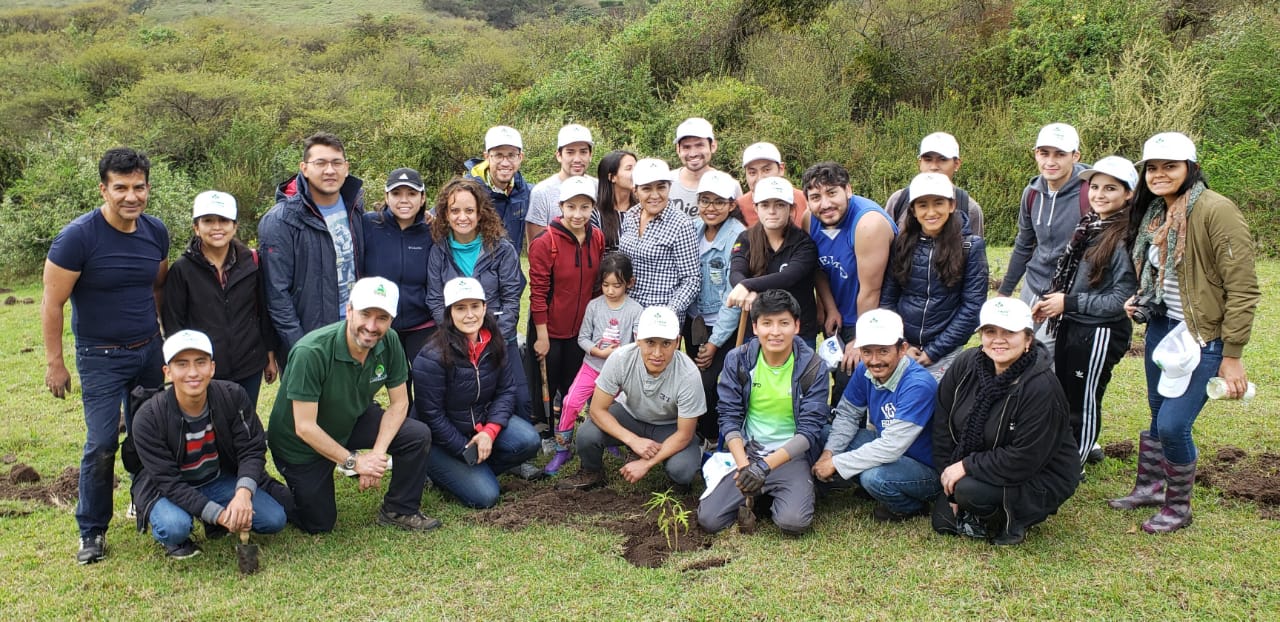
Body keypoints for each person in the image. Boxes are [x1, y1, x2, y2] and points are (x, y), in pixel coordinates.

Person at [1110, 132, 1259, 533]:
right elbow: (1163, 276)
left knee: (1175, 424)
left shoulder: (1215, 210)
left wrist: (1232, 355)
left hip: (1202, 334)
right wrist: (1142, 300)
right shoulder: (1157, 212)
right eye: (1152, 168)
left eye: (1169, 166)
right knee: (1159, 413)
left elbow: (1243, 287)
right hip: (1164, 326)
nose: (1159, 174)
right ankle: (1152, 487)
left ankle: (1179, 506)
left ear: (1190, 168)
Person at [42, 147, 169, 564]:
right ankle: (92, 529)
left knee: (147, 435)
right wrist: (55, 363)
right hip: (100, 356)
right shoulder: (78, 237)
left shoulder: (156, 232)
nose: (131, 196)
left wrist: (167, 342)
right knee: (100, 444)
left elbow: (158, 290)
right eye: (121, 188)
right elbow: (52, 303)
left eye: (139, 187)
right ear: (104, 189)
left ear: (148, 188)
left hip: (148, 349)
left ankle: (143, 499)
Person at [267, 278, 439, 534]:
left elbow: (400, 404)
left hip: (350, 418)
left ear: (392, 319)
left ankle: (399, 508)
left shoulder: (389, 341)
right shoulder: (310, 352)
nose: (371, 326)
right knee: (319, 523)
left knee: (416, 435)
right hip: (300, 444)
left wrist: (377, 456)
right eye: (365, 314)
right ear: (349, 310)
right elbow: (304, 427)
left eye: (382, 317)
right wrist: (354, 463)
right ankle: (265, 486)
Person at [130, 330, 290, 559]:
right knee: (175, 527)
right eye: (182, 364)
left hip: (216, 479)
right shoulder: (148, 417)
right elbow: (168, 482)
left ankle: (211, 516)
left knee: (274, 519)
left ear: (212, 367)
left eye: (201, 362)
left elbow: (252, 449)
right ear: (167, 372)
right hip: (166, 489)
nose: (193, 372)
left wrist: (243, 494)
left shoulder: (232, 396)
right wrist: (221, 516)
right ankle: (179, 529)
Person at [932, 298, 1079, 545]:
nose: (998, 340)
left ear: (1028, 339)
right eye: (990, 332)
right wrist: (947, 474)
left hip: (1038, 475)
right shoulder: (966, 365)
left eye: (1009, 332)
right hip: (983, 462)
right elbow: (942, 426)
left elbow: (1025, 458)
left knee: (968, 491)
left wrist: (966, 467)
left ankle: (1015, 519)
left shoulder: (1042, 387)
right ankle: (974, 505)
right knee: (943, 522)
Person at [425, 177, 539, 479]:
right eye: (454, 211)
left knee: (518, 397)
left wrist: (491, 338)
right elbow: (436, 299)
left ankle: (511, 456)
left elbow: (512, 295)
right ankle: (453, 454)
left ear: (480, 213)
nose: (462, 217)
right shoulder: (439, 250)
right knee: (463, 396)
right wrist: (456, 337)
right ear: (445, 214)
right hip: (455, 343)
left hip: (498, 337)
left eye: (469, 210)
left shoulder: (500, 248)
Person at [1030, 157, 1139, 470]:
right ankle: (1068, 452)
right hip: (1073, 324)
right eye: (1095, 187)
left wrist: (1069, 303)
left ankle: (1071, 466)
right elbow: (1073, 278)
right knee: (1064, 392)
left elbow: (1122, 298)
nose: (1100, 194)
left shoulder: (1124, 237)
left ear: (1129, 194)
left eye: (1111, 188)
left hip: (1100, 331)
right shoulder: (1090, 225)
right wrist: (1055, 302)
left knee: (1083, 400)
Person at [697, 290, 828, 535]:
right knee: (709, 519)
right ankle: (763, 491)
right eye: (767, 323)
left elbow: (810, 431)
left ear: (797, 326)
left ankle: (775, 492)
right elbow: (728, 416)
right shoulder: (738, 360)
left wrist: (764, 468)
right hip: (750, 452)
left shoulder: (813, 366)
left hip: (790, 456)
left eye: (784, 323)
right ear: (755, 327)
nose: (775, 332)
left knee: (793, 522)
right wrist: (745, 466)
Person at [413, 278, 542, 508]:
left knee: (530, 441)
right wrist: (464, 449)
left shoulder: (495, 342)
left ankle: (473, 471)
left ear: (485, 307)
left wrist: (489, 433)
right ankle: (442, 472)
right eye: (460, 308)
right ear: (449, 313)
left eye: (475, 306)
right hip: (441, 441)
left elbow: (506, 390)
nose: (469, 315)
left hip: (479, 425)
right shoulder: (431, 356)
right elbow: (431, 416)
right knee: (486, 496)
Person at [557, 306, 706, 490]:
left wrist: (646, 464)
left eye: (666, 343)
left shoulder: (688, 374)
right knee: (587, 434)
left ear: (677, 342)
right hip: (630, 415)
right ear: (637, 339)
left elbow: (684, 434)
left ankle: (675, 477)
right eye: (650, 342)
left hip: (669, 425)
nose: (657, 353)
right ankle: (592, 470)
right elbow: (596, 410)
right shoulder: (620, 358)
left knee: (683, 471)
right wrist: (632, 440)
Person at [812, 309, 940, 521]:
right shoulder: (864, 370)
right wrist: (829, 453)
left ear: (902, 349)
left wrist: (837, 463)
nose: (874, 360)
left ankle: (911, 507)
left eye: (883, 351)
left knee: (874, 478)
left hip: (924, 467)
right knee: (824, 434)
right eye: (867, 351)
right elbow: (847, 415)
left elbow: (892, 447)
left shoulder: (918, 385)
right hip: (888, 446)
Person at [163, 190, 279, 409]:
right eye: (208, 221)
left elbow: (263, 311)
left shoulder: (251, 262)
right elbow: (174, 323)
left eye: (224, 220)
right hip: (204, 369)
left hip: (249, 363)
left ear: (234, 226)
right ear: (196, 227)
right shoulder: (182, 270)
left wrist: (269, 355)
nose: (217, 227)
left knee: (243, 424)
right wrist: (184, 365)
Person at [258, 132, 366, 362]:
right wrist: (301, 346)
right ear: (304, 168)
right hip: (309, 339)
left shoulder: (355, 208)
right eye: (320, 163)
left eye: (336, 163)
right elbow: (277, 295)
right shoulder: (281, 220)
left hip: (353, 331)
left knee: (354, 398)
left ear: (346, 168)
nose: (329, 170)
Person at [801, 161, 896, 403]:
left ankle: (847, 432)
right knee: (830, 370)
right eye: (815, 197)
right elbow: (818, 267)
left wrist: (860, 339)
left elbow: (871, 290)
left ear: (848, 190)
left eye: (832, 193)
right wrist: (830, 307)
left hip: (872, 312)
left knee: (851, 378)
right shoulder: (808, 220)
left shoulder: (867, 224)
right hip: (839, 310)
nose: (825, 204)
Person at [879, 173, 988, 380]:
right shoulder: (901, 244)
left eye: (938, 203)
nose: (931, 212)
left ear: (952, 205)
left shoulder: (970, 247)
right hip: (902, 349)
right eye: (922, 205)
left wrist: (934, 351)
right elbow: (888, 298)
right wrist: (902, 343)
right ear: (913, 209)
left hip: (947, 351)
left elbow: (972, 307)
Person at [529, 175, 605, 462]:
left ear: (592, 208)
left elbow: (597, 286)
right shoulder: (545, 242)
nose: (577, 214)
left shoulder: (597, 237)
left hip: (582, 331)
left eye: (584, 207)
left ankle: (572, 432)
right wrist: (542, 336)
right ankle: (547, 435)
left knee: (575, 385)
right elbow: (538, 293)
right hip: (550, 328)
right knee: (547, 385)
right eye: (571, 207)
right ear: (561, 206)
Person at [997, 122, 1089, 357]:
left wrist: (1071, 297)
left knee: (1042, 354)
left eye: (1060, 154)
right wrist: (1005, 291)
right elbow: (1024, 244)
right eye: (1044, 153)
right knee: (1019, 348)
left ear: (1075, 156)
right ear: (1036, 154)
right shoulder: (1032, 193)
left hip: (1067, 290)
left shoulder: (1089, 192)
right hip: (1033, 284)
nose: (1051, 161)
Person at [547, 253, 644, 475]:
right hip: (592, 366)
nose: (610, 291)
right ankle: (562, 449)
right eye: (606, 285)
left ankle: (609, 440)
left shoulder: (636, 310)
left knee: (613, 409)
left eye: (617, 285)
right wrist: (598, 351)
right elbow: (583, 338)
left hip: (619, 373)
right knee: (571, 402)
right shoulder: (594, 306)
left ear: (630, 283)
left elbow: (637, 344)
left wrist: (619, 354)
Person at [687, 171, 748, 446]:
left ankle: (717, 438)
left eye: (719, 202)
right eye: (705, 200)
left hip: (722, 324)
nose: (711, 208)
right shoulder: (693, 229)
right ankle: (700, 434)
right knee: (694, 380)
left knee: (713, 383)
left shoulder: (739, 237)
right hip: (695, 319)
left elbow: (731, 296)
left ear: (732, 205)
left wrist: (714, 342)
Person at [727, 177, 820, 344]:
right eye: (765, 205)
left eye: (779, 205)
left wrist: (747, 286)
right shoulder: (746, 238)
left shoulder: (804, 243)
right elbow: (736, 271)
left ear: (791, 209)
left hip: (798, 333)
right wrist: (742, 285)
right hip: (757, 331)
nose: (772, 211)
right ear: (756, 208)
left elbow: (789, 276)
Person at [362, 167, 436, 368]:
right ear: (386, 197)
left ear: (422, 198)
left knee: (425, 377)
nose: (404, 200)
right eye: (396, 193)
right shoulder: (368, 224)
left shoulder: (433, 230)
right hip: (380, 323)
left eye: (411, 194)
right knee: (394, 381)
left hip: (422, 323)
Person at [617, 158, 701, 319]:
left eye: (661, 187)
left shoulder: (680, 224)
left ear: (669, 187)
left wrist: (669, 312)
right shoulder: (631, 215)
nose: (655, 195)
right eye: (646, 188)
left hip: (661, 314)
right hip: (628, 310)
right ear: (635, 190)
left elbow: (691, 279)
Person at [884, 132, 985, 236]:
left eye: (942, 160)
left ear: (956, 164)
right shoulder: (898, 200)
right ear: (919, 163)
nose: (933, 167)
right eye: (928, 160)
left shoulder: (970, 208)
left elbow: (975, 249)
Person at [525, 124, 596, 243]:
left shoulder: (598, 187)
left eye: (583, 152)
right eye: (570, 152)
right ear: (559, 155)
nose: (577, 159)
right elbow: (536, 248)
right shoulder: (542, 193)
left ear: (590, 155)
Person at [464, 125, 530, 251]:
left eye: (511, 155)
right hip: (474, 270)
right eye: (498, 155)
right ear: (487, 157)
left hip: (511, 269)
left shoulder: (526, 192)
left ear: (520, 157)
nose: (505, 163)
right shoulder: (465, 190)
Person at [668, 117, 741, 219]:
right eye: (686, 147)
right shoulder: (665, 183)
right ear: (678, 149)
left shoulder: (730, 185)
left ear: (713, 146)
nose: (693, 154)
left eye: (699, 145)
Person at [735, 142, 808, 229]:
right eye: (752, 173)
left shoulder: (805, 201)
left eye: (766, 170)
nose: (760, 178)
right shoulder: (738, 208)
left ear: (781, 169)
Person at [594, 149, 637, 253]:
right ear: (612, 177)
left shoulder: (643, 210)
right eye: (629, 168)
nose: (636, 173)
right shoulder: (595, 214)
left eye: (637, 168)